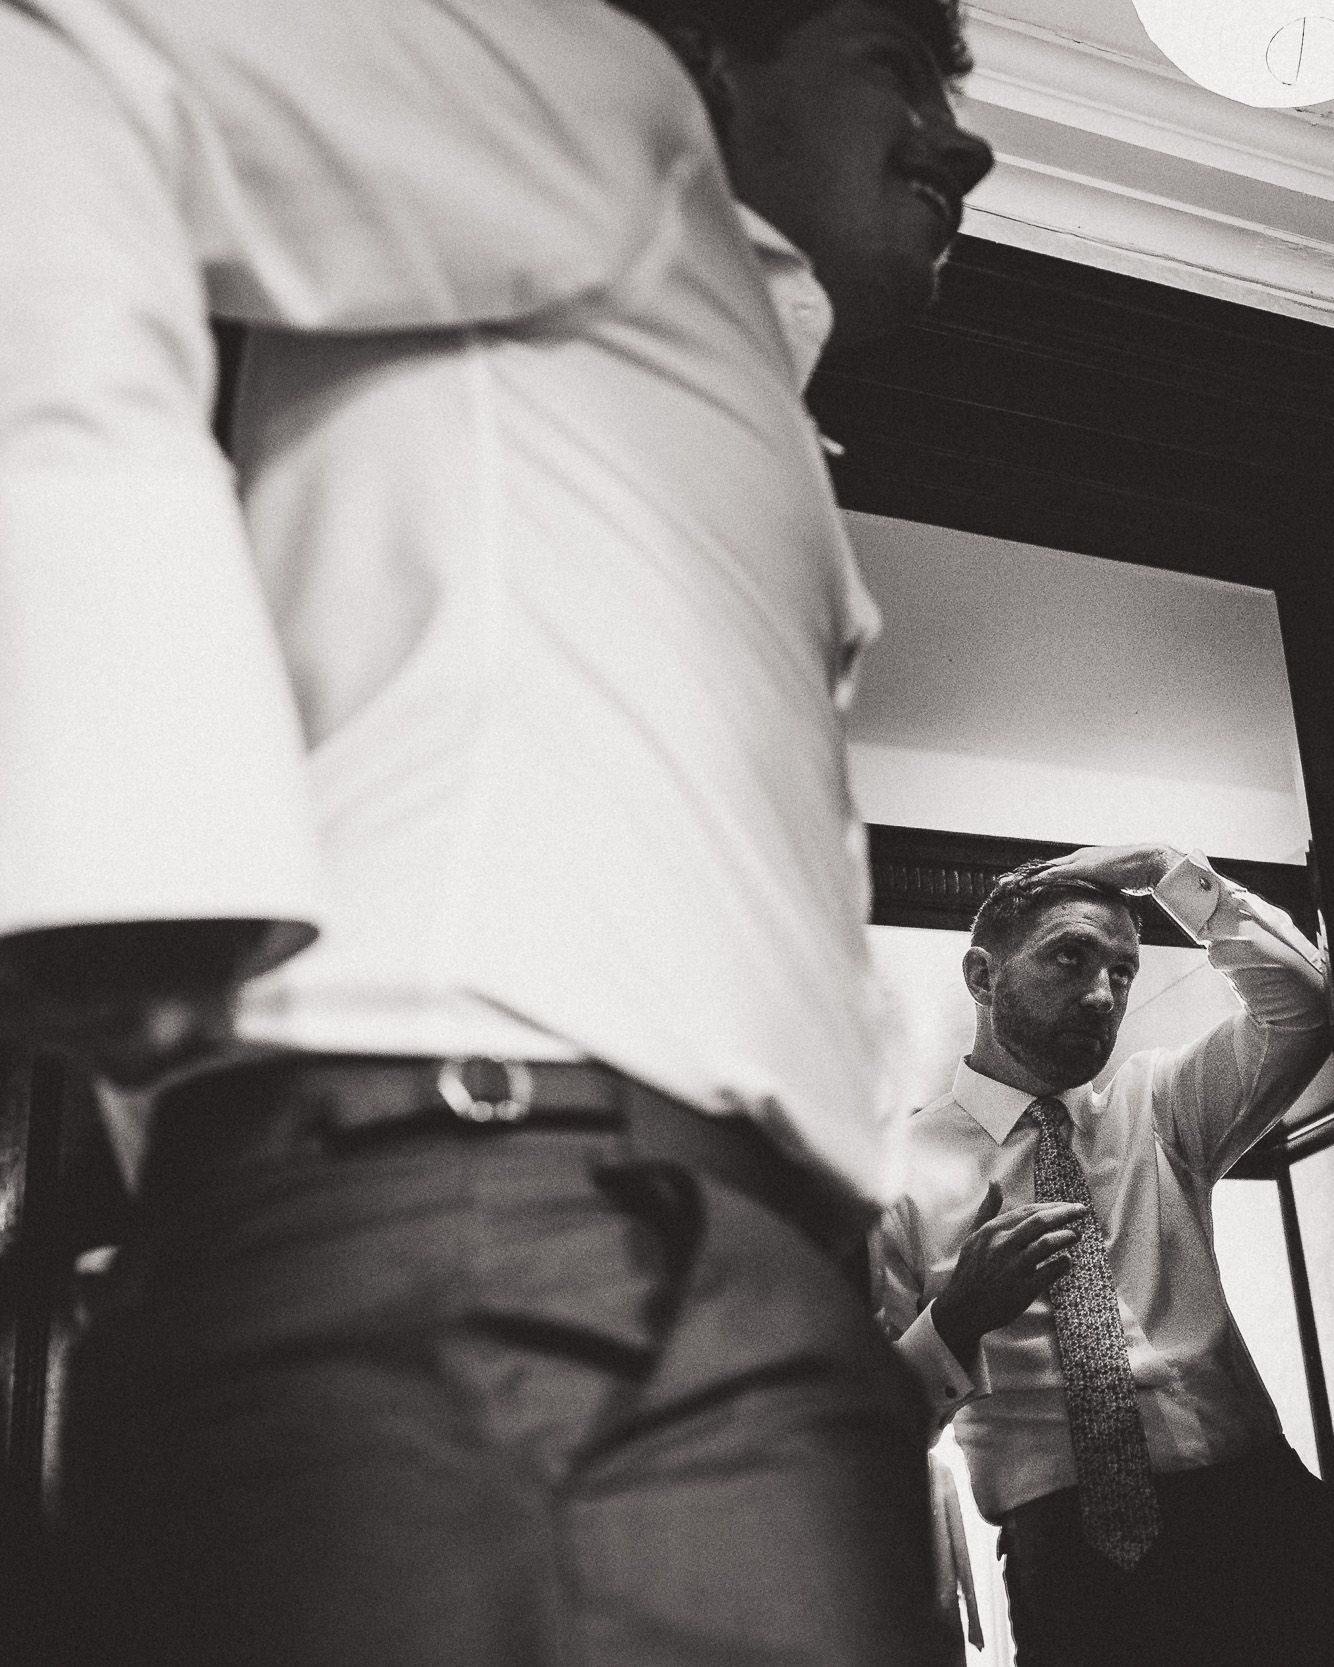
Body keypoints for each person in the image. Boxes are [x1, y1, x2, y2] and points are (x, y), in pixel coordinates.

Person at [0, 0, 994, 1660]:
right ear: (718, 56)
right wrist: (125, 789)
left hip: (592, 1285)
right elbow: (60, 60)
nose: (961, 140)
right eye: (897, 60)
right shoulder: (603, 98)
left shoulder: (691, 365)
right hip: (533, 1278)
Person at [872, 845, 1334, 1667]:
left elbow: (1303, 1005)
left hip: (1264, 1517)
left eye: (1123, 972)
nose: (1102, 995)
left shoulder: (1156, 1102)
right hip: (1076, 1569)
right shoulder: (891, 1174)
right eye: (1069, 956)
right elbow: (862, 1432)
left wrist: (1169, 870)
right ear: (982, 975)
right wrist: (957, 1316)